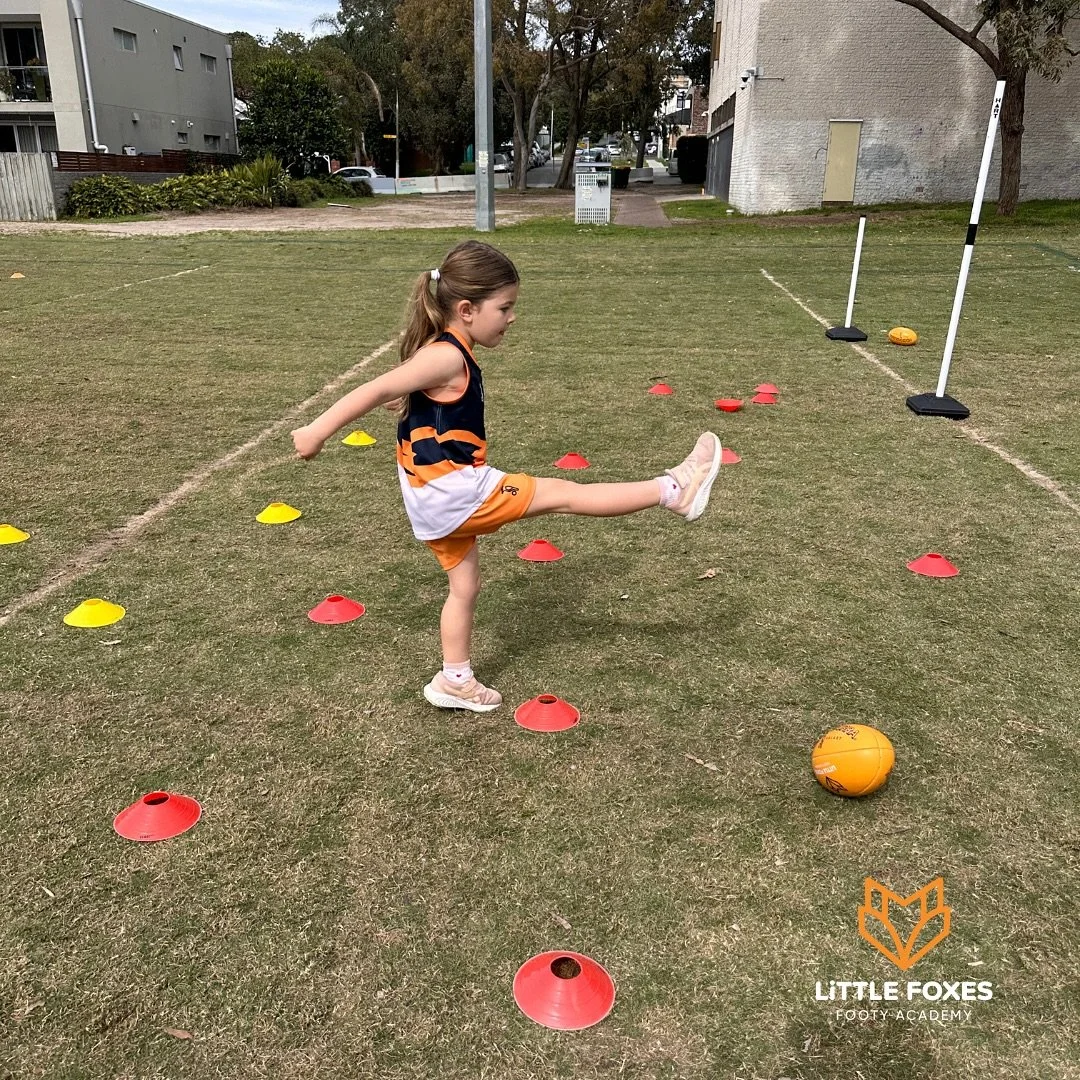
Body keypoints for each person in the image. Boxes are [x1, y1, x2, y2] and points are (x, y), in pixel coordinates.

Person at [291, 240, 722, 714]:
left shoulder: (449, 350)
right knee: (565, 494)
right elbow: (376, 388)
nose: (512, 317)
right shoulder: (446, 357)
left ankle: (455, 679)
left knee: (464, 587)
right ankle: (674, 491)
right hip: (454, 492)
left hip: (431, 499)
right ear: (467, 309)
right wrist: (316, 431)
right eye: (506, 307)